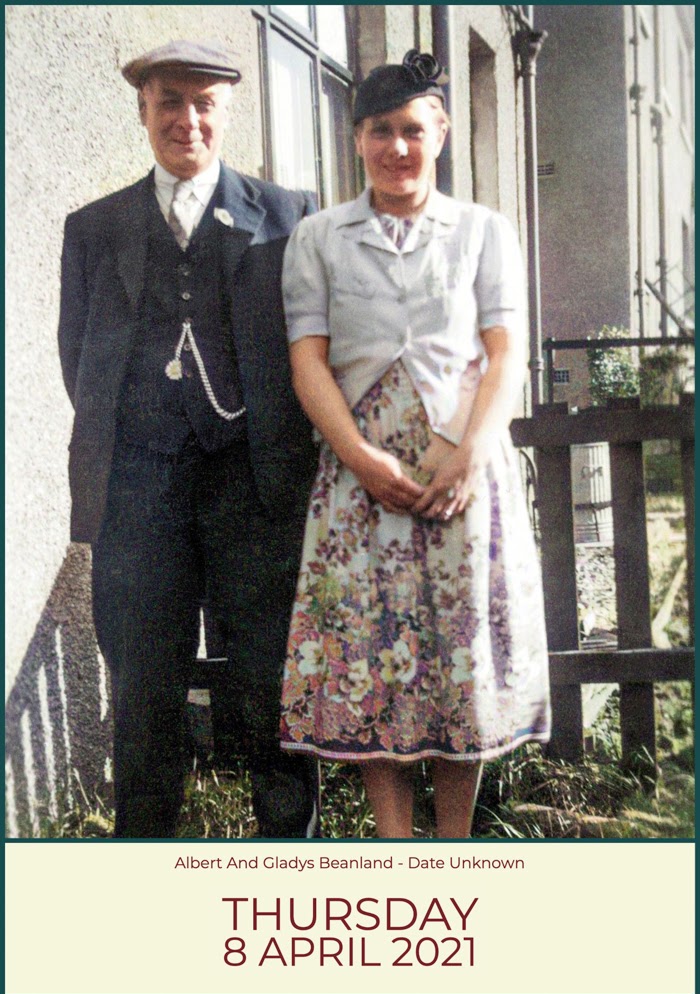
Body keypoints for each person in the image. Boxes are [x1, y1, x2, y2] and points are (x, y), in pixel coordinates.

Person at [279, 50, 551, 838]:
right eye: (378, 131)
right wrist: (361, 459)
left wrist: (467, 453)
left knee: (457, 664)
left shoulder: (483, 232)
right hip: (361, 480)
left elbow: (506, 353)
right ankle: (397, 849)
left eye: (411, 130)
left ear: (440, 133)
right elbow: (308, 361)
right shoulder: (318, 238)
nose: (396, 147)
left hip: (460, 474)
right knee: (373, 662)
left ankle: (453, 847)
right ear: (357, 138)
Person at [58, 40, 319, 838]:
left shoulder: (289, 216)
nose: (187, 120)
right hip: (139, 493)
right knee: (143, 693)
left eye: (204, 103)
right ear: (143, 109)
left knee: (270, 686)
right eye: (169, 101)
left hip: (256, 489)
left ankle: (290, 860)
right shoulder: (95, 228)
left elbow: (316, 349)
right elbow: (77, 358)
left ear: (226, 112)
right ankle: (149, 871)